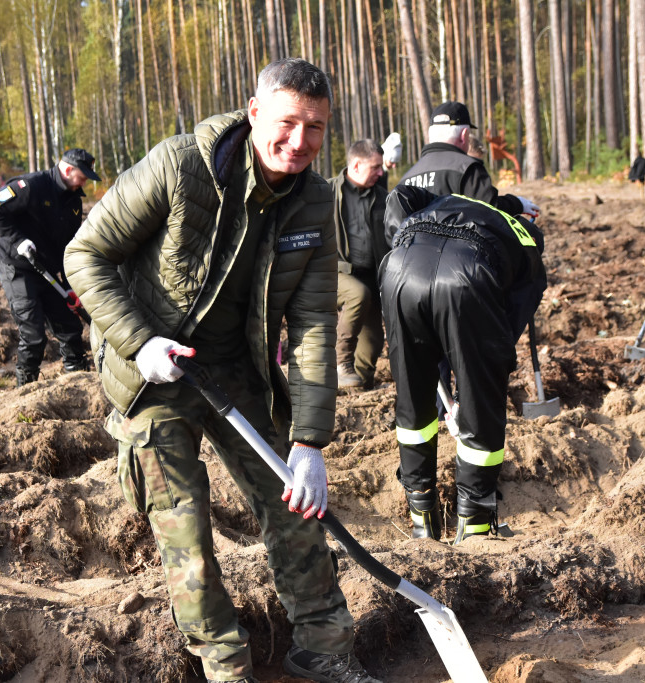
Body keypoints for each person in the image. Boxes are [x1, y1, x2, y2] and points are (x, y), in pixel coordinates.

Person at [63, 58, 380, 683]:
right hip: (151, 370)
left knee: (295, 505)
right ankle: (227, 665)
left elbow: (315, 322)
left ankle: (323, 648)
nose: (300, 141)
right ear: (255, 112)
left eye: (316, 127)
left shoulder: (316, 200)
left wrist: (309, 441)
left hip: (235, 368)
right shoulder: (182, 165)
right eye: (287, 122)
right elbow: (85, 254)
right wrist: (138, 342)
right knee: (186, 526)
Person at [380, 186, 546, 543]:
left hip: (400, 267)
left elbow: (397, 197)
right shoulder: (530, 247)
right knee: (482, 407)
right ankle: (474, 525)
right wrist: (470, 384)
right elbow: (503, 337)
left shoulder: (446, 199)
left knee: (412, 398)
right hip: (468, 274)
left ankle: (421, 519)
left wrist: (399, 241)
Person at [0, 148, 98, 386]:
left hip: (46, 270)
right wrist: (19, 240)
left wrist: (70, 285)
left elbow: (69, 246)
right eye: (82, 176)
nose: (84, 181)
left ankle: (78, 377)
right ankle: (25, 387)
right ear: (67, 169)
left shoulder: (74, 201)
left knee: (70, 326)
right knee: (34, 334)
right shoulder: (31, 186)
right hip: (18, 267)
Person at [390, 101, 540, 236]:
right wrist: (518, 204)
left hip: (414, 264)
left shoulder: (405, 180)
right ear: (464, 135)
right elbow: (491, 211)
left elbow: (394, 230)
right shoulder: (467, 168)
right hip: (459, 263)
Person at [328, 139, 389, 389]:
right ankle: (341, 363)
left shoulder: (384, 198)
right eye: (375, 167)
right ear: (355, 165)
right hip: (333, 271)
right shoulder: (326, 192)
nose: (381, 172)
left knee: (373, 341)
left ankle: (357, 387)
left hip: (370, 275)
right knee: (357, 294)